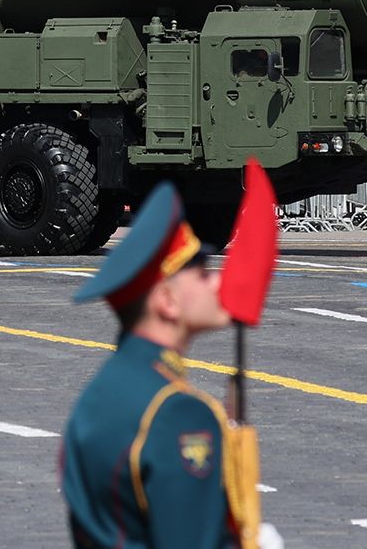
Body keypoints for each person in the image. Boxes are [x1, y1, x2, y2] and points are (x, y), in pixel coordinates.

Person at [61, 182, 259, 549]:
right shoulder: (179, 414)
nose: (217, 281)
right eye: (201, 274)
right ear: (167, 301)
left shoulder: (101, 392)